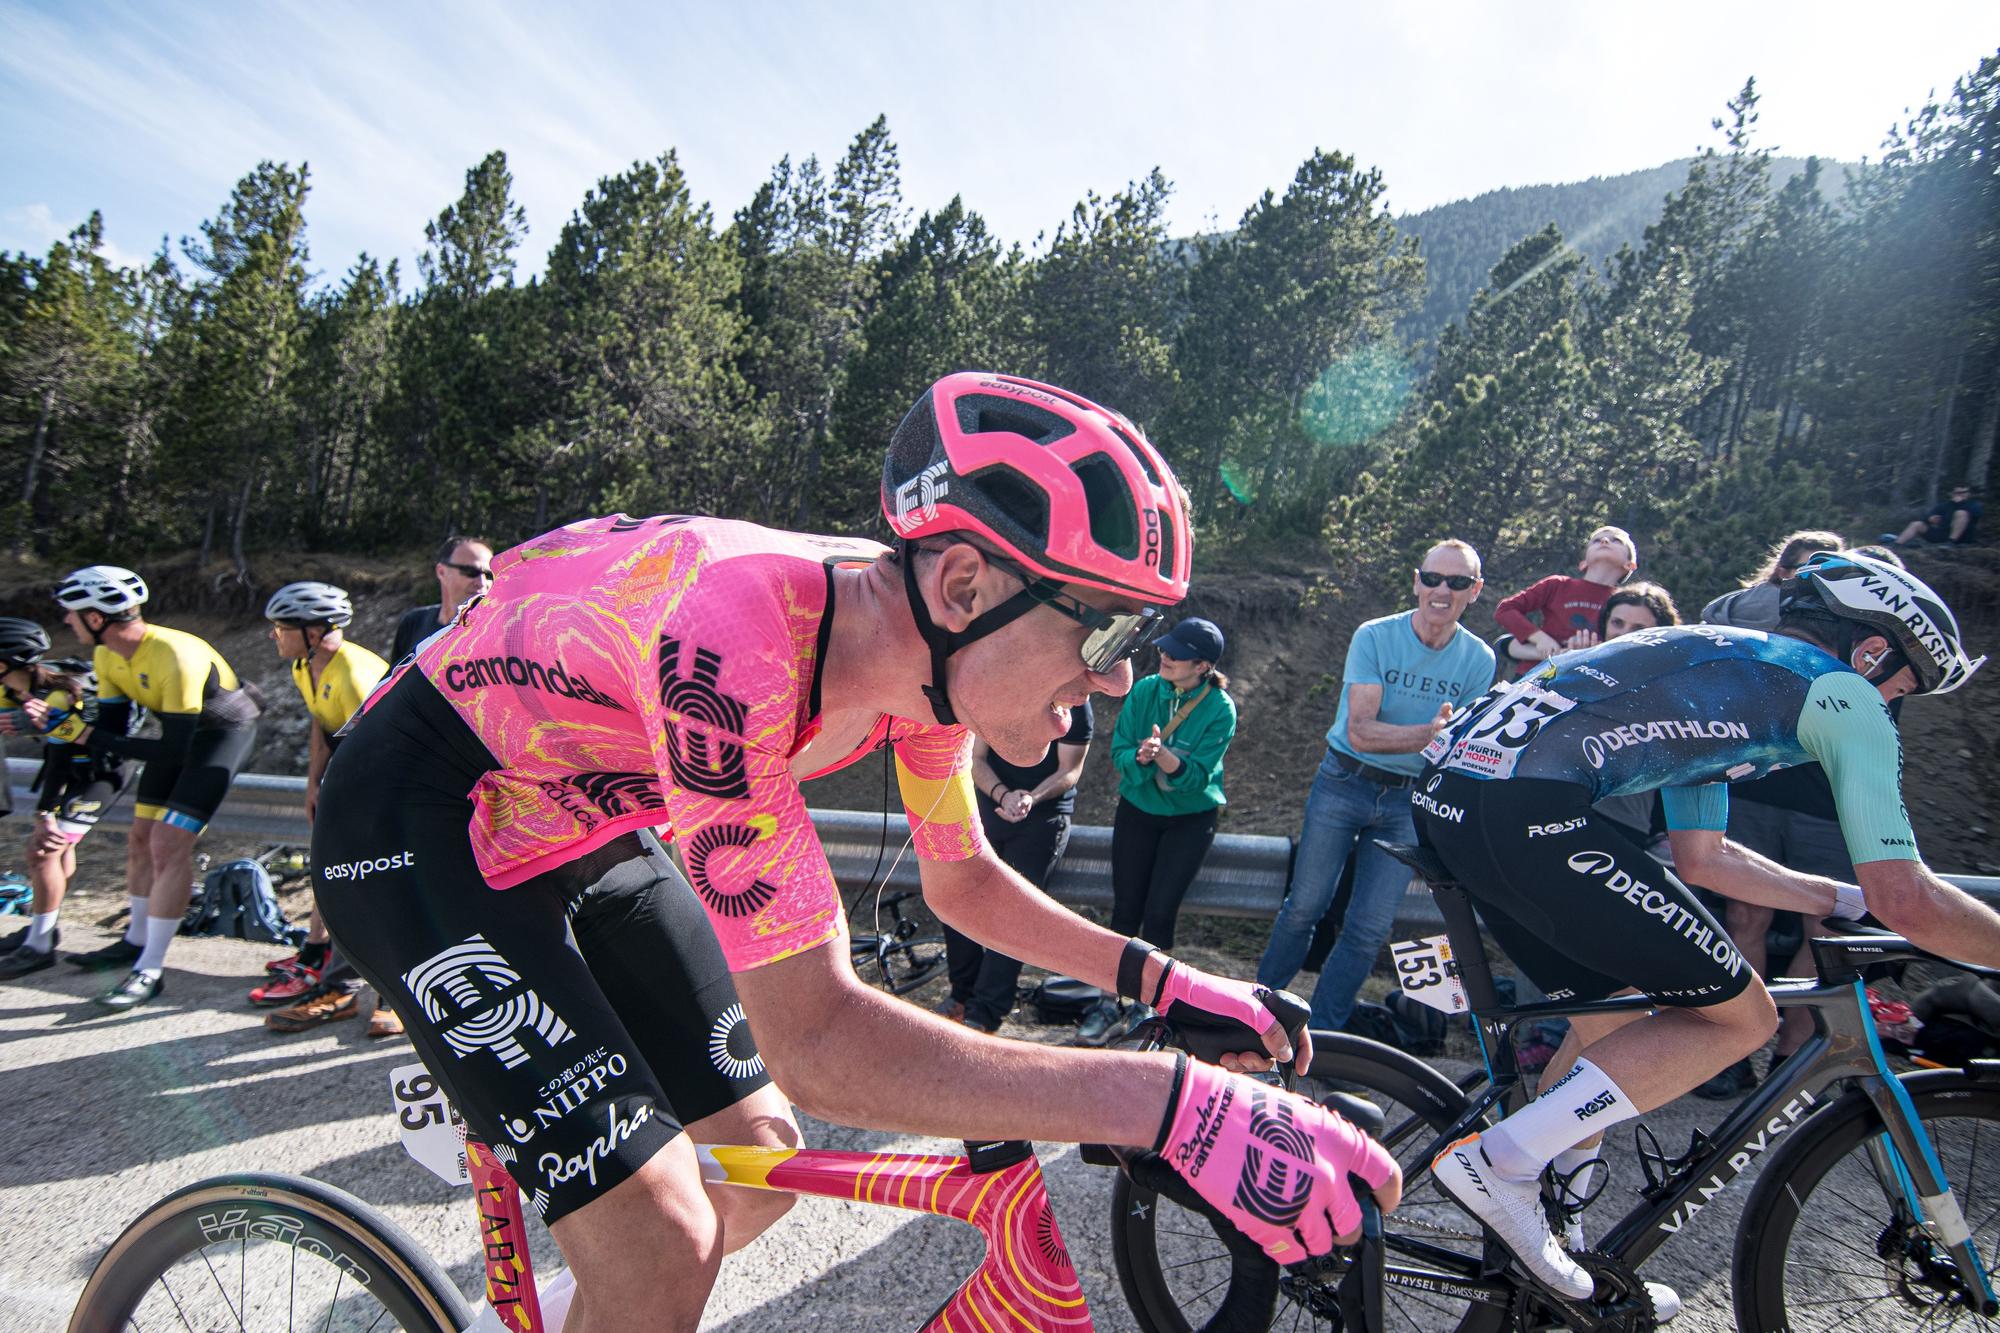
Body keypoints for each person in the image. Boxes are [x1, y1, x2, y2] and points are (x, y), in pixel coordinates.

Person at [309, 372, 1399, 1333]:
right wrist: (1168, 1103)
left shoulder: (926, 671)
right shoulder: (729, 641)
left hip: (587, 827)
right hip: (423, 819)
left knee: (758, 1167)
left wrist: (1168, 983)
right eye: (1105, 630)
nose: (1118, 676)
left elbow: (961, 878)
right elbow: (819, 1039)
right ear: (965, 585)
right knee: (661, 1240)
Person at [1415, 551, 2000, 1313]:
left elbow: (1705, 858)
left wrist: (1836, 895)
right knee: (1745, 1018)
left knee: (1614, 1012)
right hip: (1525, 808)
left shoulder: (1728, 668)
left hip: (1452, 796)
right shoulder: (1844, 695)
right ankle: (1503, 1161)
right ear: (1871, 651)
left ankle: (1560, 1241)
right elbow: (1909, 897)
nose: (1893, 703)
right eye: (1904, 685)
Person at [1256, 541, 1496, 1033]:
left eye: (1456, 582)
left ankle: (1323, 1035)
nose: (1442, 590)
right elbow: (1361, 732)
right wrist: (1431, 734)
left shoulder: (1479, 659)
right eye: (1433, 578)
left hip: (1409, 799)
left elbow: (1461, 747)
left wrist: (1440, 748)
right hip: (1344, 781)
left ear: (1475, 590)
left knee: (1369, 928)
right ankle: (1255, 1015)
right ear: (1417, 581)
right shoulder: (1375, 635)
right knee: (1304, 908)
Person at [33, 567, 260, 1011]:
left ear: (96, 618)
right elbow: (112, 732)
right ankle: (136, 939)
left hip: (221, 737)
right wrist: (66, 729)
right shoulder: (106, 655)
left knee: (168, 843)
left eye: (71, 613)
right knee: (139, 839)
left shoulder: (174, 653)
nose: (66, 621)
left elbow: (172, 749)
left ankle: (151, 969)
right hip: (176, 738)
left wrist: (83, 734)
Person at [1078, 618, 1237, 1044]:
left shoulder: (1220, 709)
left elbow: (1198, 778)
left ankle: (1148, 1006)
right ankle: (1107, 1001)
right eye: (1165, 648)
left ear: (1202, 666)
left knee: (1161, 913)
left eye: (1176, 654)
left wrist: (1164, 756)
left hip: (1190, 820)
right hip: (1138, 811)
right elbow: (1119, 751)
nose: (1164, 655)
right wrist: (1141, 758)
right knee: (1125, 909)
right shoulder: (1146, 690)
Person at [254, 581, 401, 1036]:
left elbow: (383, 752)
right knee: (340, 883)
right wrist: (313, 785)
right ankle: (340, 986)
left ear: (314, 631)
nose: (274, 635)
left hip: (388, 780)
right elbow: (322, 726)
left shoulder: (356, 672)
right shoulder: (307, 666)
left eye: (282, 627)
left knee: (378, 887)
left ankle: (394, 997)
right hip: (348, 777)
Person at [942, 700, 1092, 1033]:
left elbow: (1069, 770)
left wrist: (1030, 798)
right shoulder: (1003, 690)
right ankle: (961, 995)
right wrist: (1003, 795)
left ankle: (985, 1013)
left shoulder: (1076, 704)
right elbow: (975, 757)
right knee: (960, 897)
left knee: (1014, 913)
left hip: (1042, 817)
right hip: (989, 805)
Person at [0, 619, 130, 978]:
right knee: (58, 851)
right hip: (72, 769)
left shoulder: (59, 695)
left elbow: (58, 761)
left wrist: (44, 812)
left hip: (99, 774)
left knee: (43, 851)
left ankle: (39, 946)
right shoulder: (14, 688)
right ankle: (44, 926)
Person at [1491, 526, 1638, 677]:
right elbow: (1505, 610)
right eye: (1596, 541)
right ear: (1583, 563)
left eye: (1616, 540)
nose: (1605, 541)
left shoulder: (1623, 602)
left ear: (1630, 565)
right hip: (1533, 675)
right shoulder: (1557, 585)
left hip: (1583, 680)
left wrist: (1589, 652)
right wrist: (1540, 639)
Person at [1698, 529, 1844, 629]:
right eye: (1810, 568)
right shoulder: (1775, 603)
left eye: (1834, 568)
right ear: (1784, 573)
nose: (1822, 575)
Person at [390, 536, 494, 664]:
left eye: (489, 575)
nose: (482, 582)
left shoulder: (497, 633)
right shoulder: (414, 623)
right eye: (471, 572)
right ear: (441, 572)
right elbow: (395, 676)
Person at [1890, 484, 1981, 547]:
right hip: (1942, 534)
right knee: (1916, 524)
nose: (1961, 495)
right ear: (1952, 494)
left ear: (1968, 493)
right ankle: (1897, 545)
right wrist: (1930, 519)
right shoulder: (1944, 506)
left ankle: (1951, 542)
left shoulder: (1973, 504)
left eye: (1964, 492)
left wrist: (1960, 504)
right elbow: (1926, 517)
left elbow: (1976, 514)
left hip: (1963, 537)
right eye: (1958, 493)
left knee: (1961, 513)